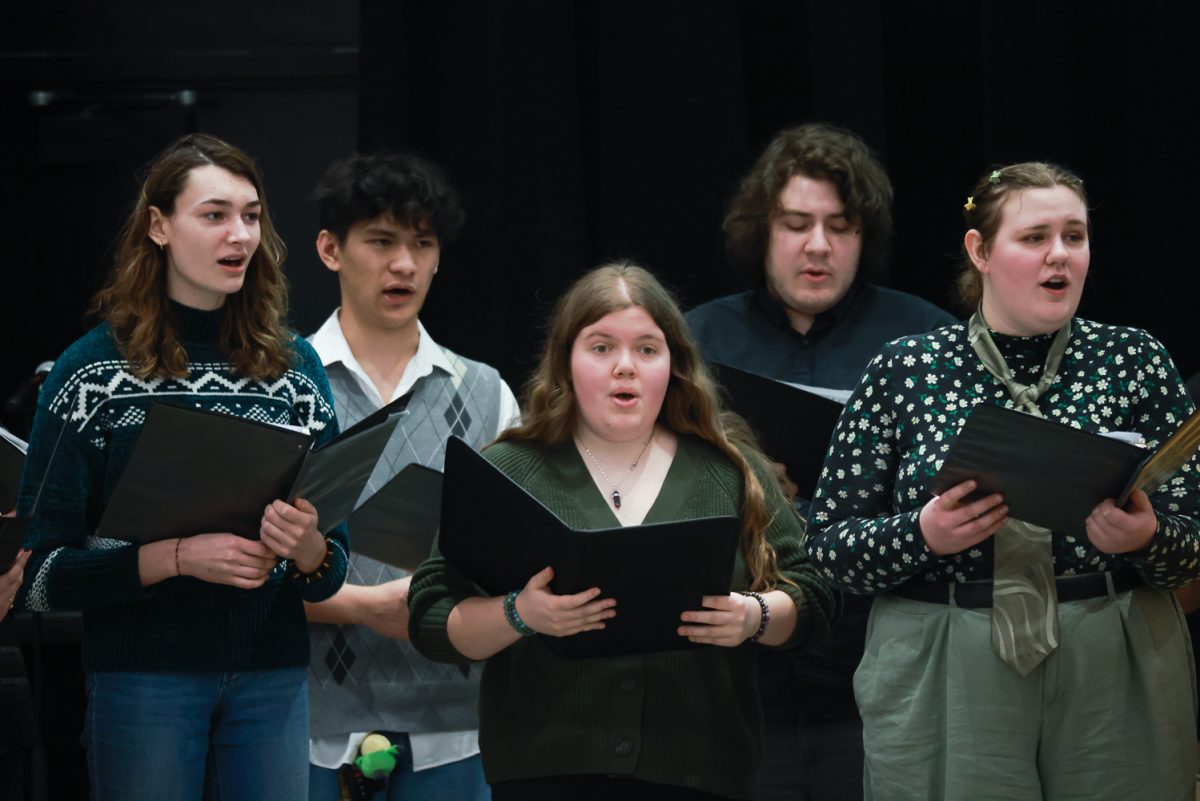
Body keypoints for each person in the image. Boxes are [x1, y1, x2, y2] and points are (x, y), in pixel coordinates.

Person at [806, 162, 1200, 801]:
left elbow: (1196, 533)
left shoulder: (1134, 360)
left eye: (1075, 236)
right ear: (981, 251)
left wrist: (1148, 536)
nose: (1060, 256)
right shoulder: (907, 369)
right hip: (948, 656)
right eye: (1035, 237)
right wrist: (922, 534)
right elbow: (828, 549)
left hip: (1110, 644)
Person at [408, 262, 839, 801]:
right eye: (601, 347)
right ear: (566, 362)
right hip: (544, 778)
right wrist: (521, 614)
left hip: (700, 776)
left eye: (647, 349)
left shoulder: (733, 470)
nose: (625, 368)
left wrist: (753, 616)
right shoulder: (508, 469)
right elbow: (431, 616)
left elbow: (815, 599)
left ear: (674, 366)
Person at [13, 133, 349, 801]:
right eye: (215, 214)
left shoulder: (295, 370)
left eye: (252, 215)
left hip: (272, 676)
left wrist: (309, 548)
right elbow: (37, 578)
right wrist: (173, 556)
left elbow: (331, 567)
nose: (240, 235)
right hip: (145, 679)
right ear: (159, 226)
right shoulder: (92, 372)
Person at [686, 122, 956, 801]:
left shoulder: (923, 336)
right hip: (738, 687)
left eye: (840, 226)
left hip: (883, 675)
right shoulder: (695, 338)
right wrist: (739, 480)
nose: (818, 245)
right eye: (795, 224)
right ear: (761, 231)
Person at [304, 151, 518, 801]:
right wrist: (366, 607)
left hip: (457, 730)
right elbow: (244, 569)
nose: (404, 264)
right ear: (330, 249)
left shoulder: (487, 392)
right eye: (381, 241)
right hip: (311, 727)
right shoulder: (284, 383)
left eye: (422, 244)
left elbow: (524, 552)